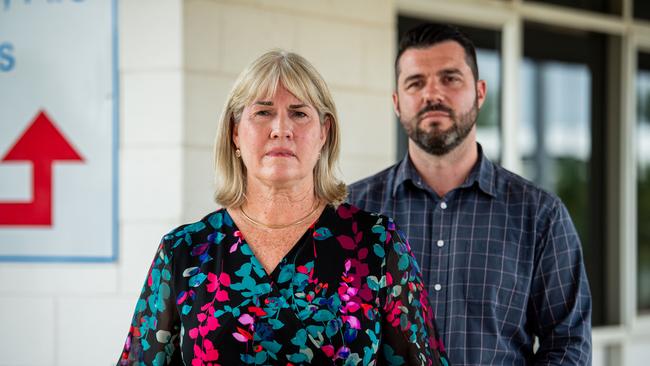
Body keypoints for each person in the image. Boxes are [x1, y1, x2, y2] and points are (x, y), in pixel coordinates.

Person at [118, 50, 449, 365]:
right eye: (263, 112)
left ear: (324, 133)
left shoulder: (377, 245)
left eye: (299, 113)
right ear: (235, 132)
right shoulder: (183, 252)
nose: (281, 129)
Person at [348, 24, 592, 365]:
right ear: (396, 103)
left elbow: (569, 345)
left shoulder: (539, 215)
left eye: (450, 78)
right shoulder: (353, 211)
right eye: (416, 83)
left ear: (479, 92)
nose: (433, 94)